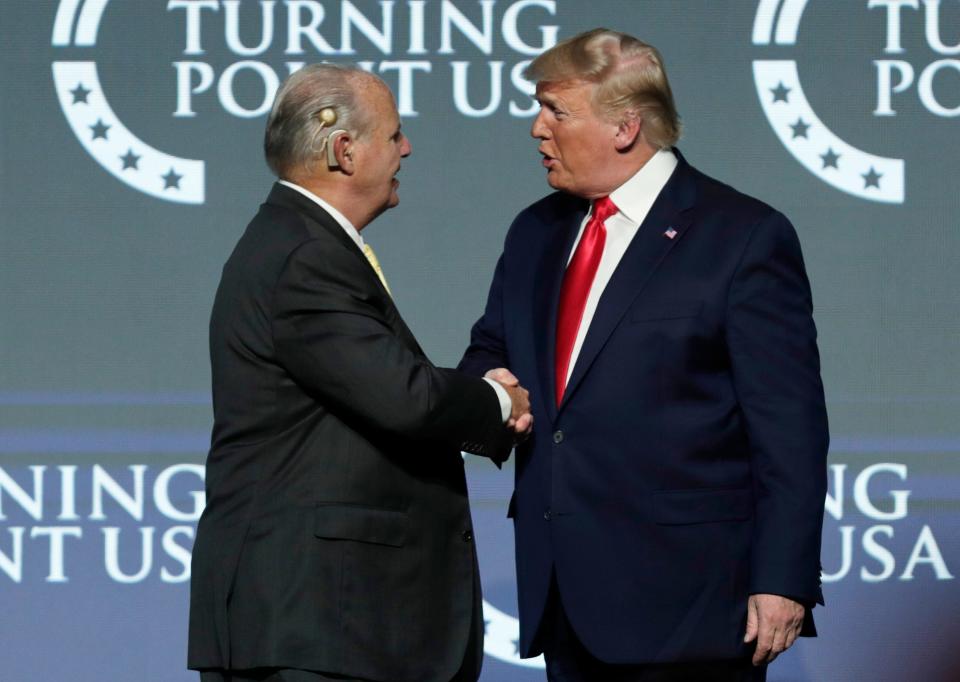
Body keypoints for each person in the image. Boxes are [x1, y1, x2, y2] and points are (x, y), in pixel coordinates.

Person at [459, 28, 829, 682]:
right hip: (565, 597)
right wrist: (491, 387)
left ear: (625, 126)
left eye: (556, 111)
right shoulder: (535, 232)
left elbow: (789, 427)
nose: (536, 129)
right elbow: (490, 349)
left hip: (691, 605)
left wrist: (784, 578)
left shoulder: (741, 236)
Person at [188, 63, 531, 682]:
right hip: (319, 626)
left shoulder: (298, 242)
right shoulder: (305, 255)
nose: (407, 148)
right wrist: (498, 403)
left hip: (329, 627)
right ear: (345, 151)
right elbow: (403, 397)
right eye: (394, 134)